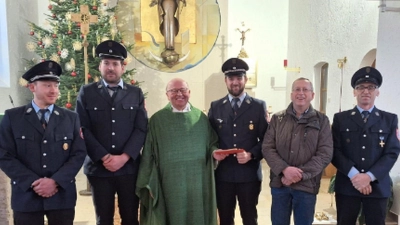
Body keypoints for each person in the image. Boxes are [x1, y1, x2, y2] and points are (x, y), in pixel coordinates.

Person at [0, 60, 86, 225]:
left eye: (55, 85)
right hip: (26, 195)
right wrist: (33, 182)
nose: (53, 90)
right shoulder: (13, 118)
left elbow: (78, 154)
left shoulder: (71, 118)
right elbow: (4, 155)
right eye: (47, 85)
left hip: (61, 195)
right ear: (32, 87)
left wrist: (55, 181)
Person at [75, 40, 148, 225]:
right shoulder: (87, 92)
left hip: (129, 169)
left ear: (122, 67)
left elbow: (141, 128)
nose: (110, 68)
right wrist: (104, 157)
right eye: (106, 63)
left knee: (131, 217)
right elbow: (83, 128)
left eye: (115, 64)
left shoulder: (135, 93)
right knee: (104, 218)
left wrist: (124, 157)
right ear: (100, 66)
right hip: (99, 169)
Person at [136, 78, 218, 225]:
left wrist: (214, 153)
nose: (179, 94)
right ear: (167, 95)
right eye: (174, 91)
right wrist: (147, 180)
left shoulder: (201, 118)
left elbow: (212, 143)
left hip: (197, 181)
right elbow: (148, 153)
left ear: (189, 92)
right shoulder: (157, 120)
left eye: (183, 90)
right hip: (168, 182)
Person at [331, 67, 400, 225]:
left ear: (377, 92)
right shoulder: (341, 118)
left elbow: (392, 152)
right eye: (360, 87)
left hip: (377, 185)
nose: (365, 91)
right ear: (354, 92)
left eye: (371, 87)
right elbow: (334, 151)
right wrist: (355, 176)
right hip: (348, 186)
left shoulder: (389, 119)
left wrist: (368, 177)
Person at [262, 77, 333, 225]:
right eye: (297, 89)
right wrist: (284, 170)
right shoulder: (278, 119)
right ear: (291, 94)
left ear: (312, 95)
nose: (301, 93)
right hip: (280, 184)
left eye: (305, 90)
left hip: (307, 186)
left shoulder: (322, 121)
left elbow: (324, 154)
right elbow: (267, 147)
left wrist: (298, 175)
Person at [208, 58, 268, 225]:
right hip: (224, 175)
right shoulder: (216, 106)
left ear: (245, 80)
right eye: (231, 78)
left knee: (250, 218)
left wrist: (251, 154)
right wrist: (214, 152)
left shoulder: (258, 106)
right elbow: (210, 138)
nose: (235, 82)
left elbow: (267, 140)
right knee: (225, 219)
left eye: (239, 78)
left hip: (248, 175)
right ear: (225, 81)